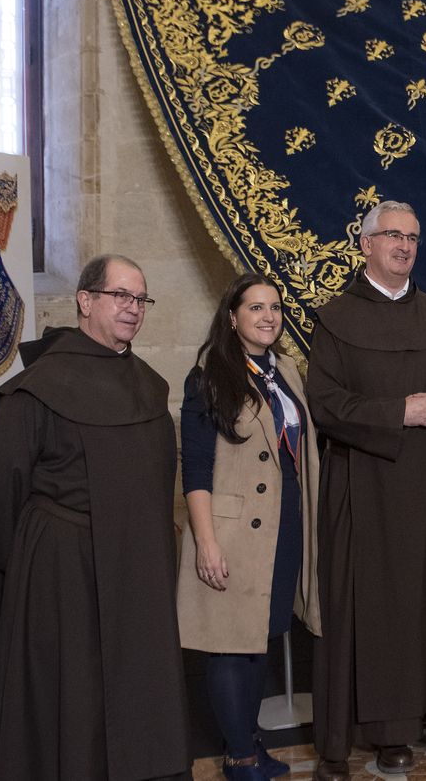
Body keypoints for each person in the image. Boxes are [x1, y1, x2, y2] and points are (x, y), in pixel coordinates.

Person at [0, 254, 187, 780]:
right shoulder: (40, 387)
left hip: (137, 568)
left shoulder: (149, 383)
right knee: (76, 695)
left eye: (141, 299)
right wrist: (25, 555)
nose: (133, 308)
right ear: (85, 301)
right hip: (65, 571)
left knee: (136, 693)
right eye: (121, 296)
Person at [306, 201, 426, 779]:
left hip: (418, 488)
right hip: (358, 485)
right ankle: (341, 738)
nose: (404, 245)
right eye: (392, 235)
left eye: (413, 237)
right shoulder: (335, 318)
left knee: (410, 606)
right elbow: (324, 405)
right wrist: (396, 411)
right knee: (356, 607)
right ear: (366, 243)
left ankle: (399, 732)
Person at [177, 274, 323, 779]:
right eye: (256, 308)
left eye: (275, 308)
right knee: (229, 645)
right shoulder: (208, 377)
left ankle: (250, 742)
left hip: (283, 530)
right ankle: (239, 756)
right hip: (233, 535)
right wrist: (206, 543)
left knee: (260, 638)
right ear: (232, 316)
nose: (268, 317)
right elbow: (194, 471)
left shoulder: (285, 373)